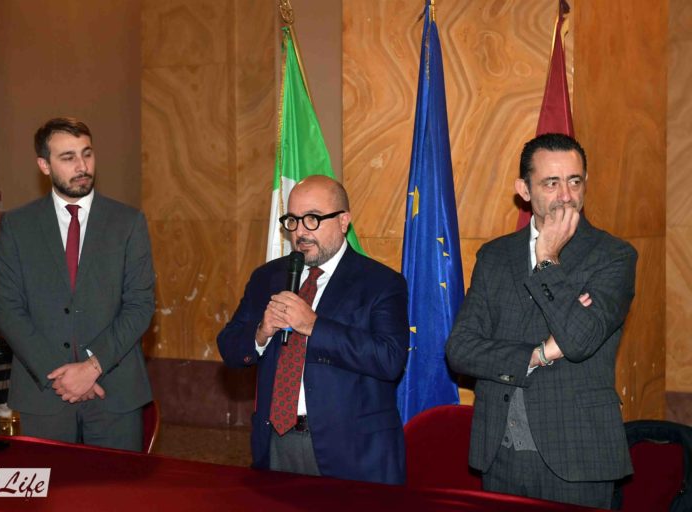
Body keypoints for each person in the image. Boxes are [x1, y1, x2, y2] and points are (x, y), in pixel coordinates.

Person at [446, 133, 636, 508]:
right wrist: (538, 353)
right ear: (524, 190)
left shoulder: (613, 255)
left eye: (574, 181)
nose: (566, 195)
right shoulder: (495, 256)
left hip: (577, 457)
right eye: (551, 183)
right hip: (499, 454)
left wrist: (547, 259)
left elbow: (578, 341)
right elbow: (461, 350)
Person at [217, 175, 409, 485]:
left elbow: (389, 359)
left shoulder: (380, 283)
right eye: (293, 220)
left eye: (313, 219)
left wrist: (314, 326)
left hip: (352, 451)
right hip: (276, 442)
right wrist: (261, 332)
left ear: (343, 221)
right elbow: (229, 347)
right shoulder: (268, 277)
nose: (301, 232)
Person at [0, 117, 155, 451]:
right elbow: (8, 310)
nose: (82, 166)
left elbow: (140, 306)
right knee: (49, 484)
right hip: (44, 394)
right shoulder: (18, 226)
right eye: (68, 157)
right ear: (44, 165)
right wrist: (64, 377)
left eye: (87, 154)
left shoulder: (127, 222)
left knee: (116, 484)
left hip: (115, 393)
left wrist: (92, 367)